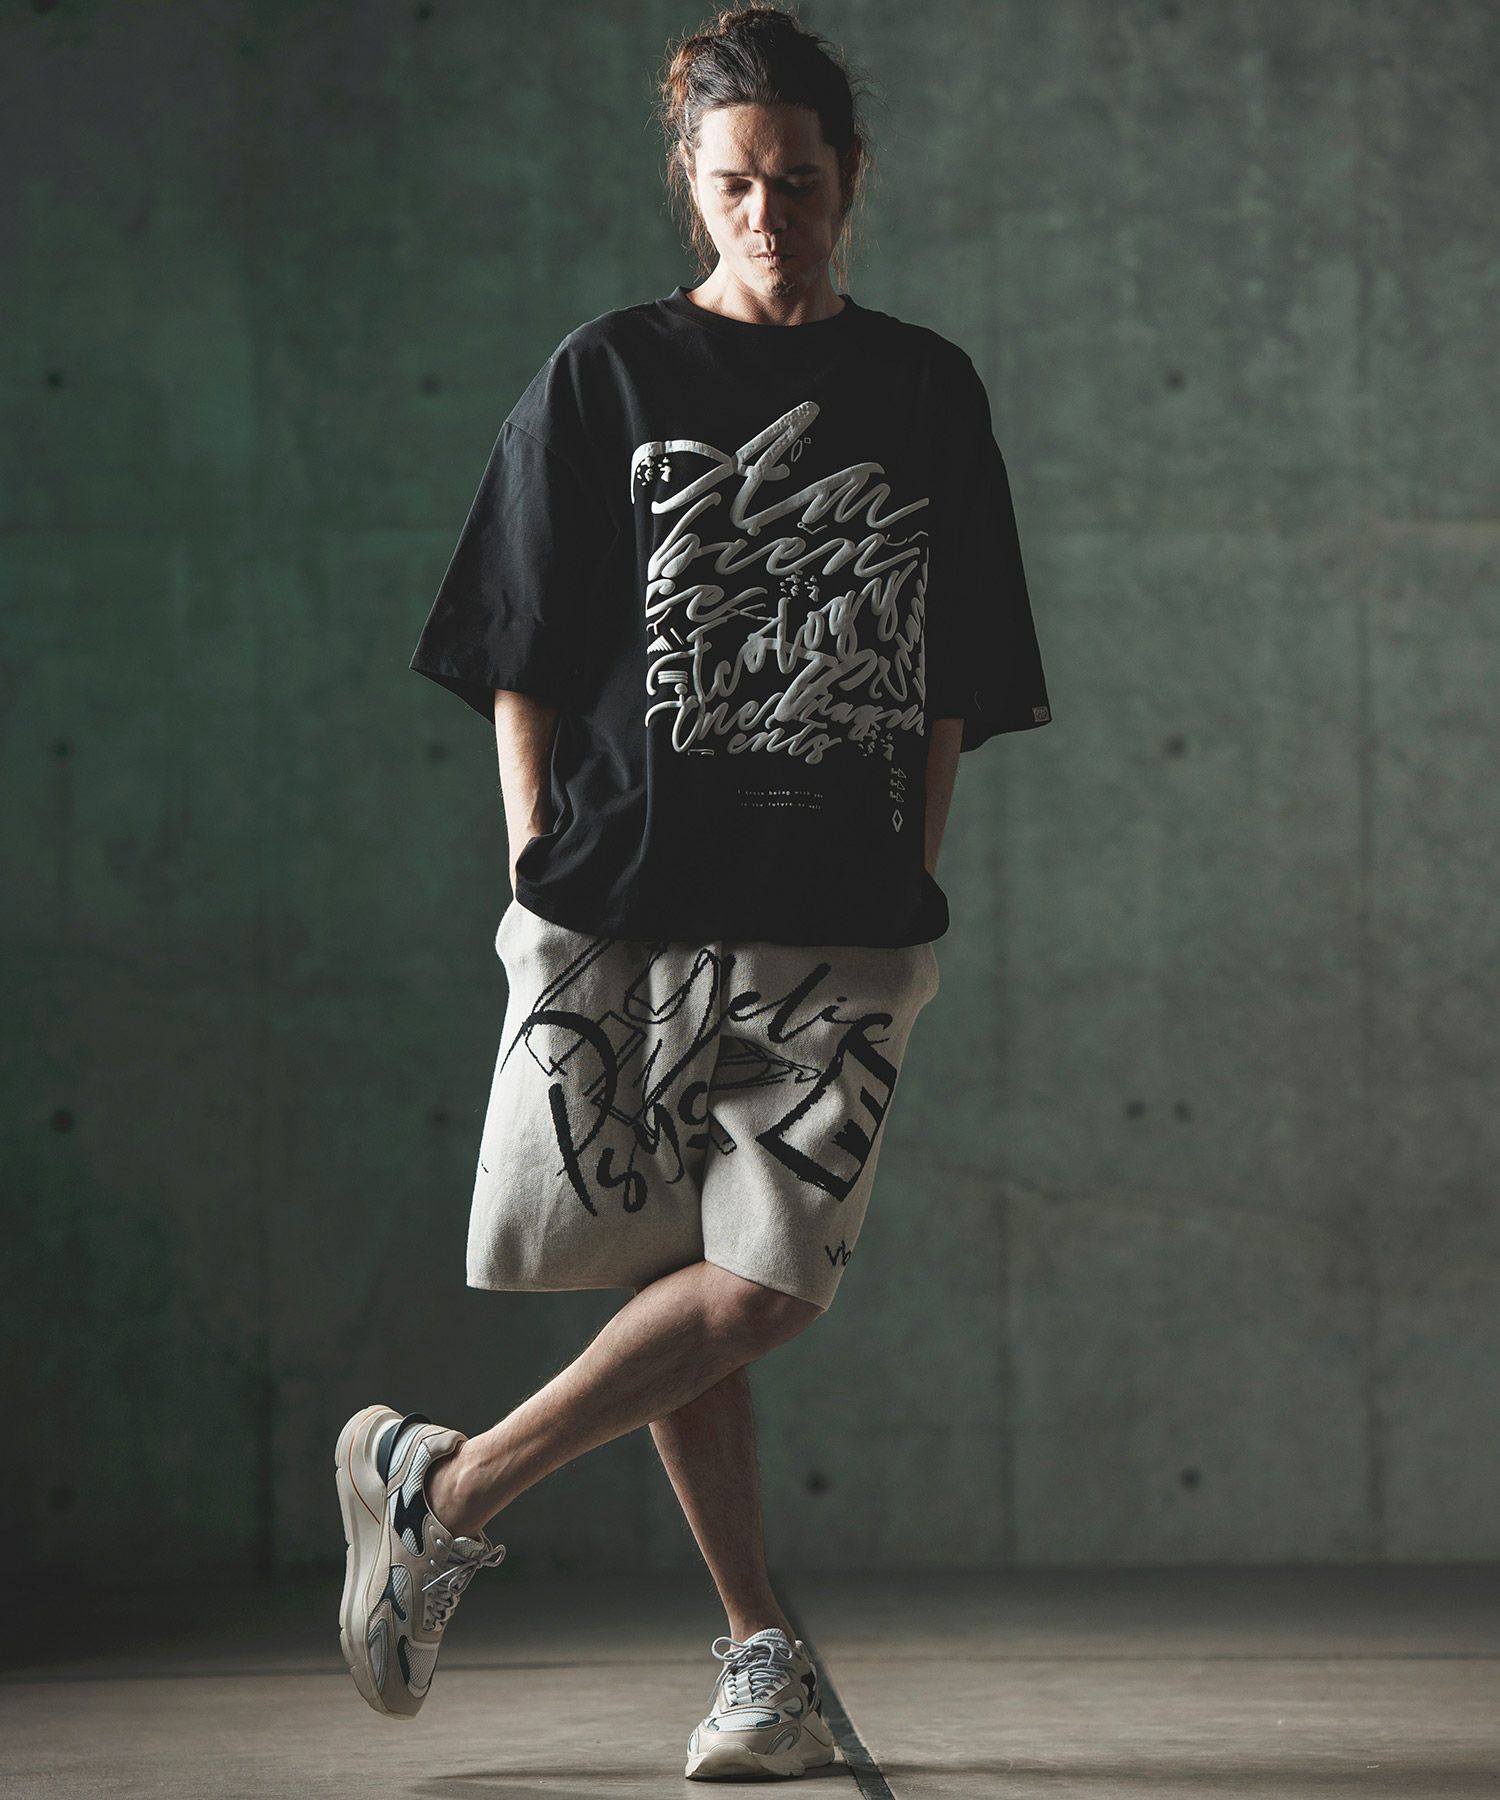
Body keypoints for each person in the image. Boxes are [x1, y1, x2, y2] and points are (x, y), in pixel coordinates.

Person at [334, 3, 1051, 1781]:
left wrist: (912, 866)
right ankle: (758, 1663)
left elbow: (955, 672)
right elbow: (517, 644)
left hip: (845, 918)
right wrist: (532, 866)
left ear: (850, 180)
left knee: (769, 1283)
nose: (768, 215)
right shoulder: (608, 374)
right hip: (629, 899)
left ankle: (449, 1486)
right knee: (680, 1276)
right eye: (736, 183)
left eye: (798, 182)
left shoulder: (924, 386)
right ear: (691, 179)